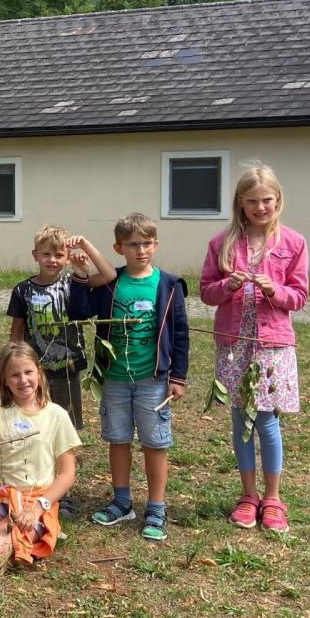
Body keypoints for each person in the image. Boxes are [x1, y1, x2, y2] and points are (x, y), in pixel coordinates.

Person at [200, 165, 307, 533]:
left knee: (266, 419)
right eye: (253, 201)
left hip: (272, 346)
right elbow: (206, 291)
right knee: (239, 418)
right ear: (240, 204)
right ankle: (248, 495)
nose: (261, 207)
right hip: (234, 345)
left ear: (278, 201)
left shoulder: (293, 243)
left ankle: (273, 499)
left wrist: (275, 291)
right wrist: (227, 286)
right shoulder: (222, 244)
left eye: (267, 200)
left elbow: (300, 296)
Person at [72, 213, 188, 542]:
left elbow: (180, 334)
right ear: (119, 247)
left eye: (147, 243)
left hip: (153, 380)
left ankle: (156, 507)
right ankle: (122, 501)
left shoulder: (168, 285)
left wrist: (178, 377)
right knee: (118, 439)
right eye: (133, 244)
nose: (141, 250)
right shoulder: (111, 282)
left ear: (156, 245)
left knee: (155, 443)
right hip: (115, 378)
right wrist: (81, 275)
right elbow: (80, 311)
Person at [6, 226, 114, 517]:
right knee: (37, 426)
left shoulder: (73, 284)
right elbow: (17, 331)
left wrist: (87, 251)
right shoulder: (23, 290)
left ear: (66, 258)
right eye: (46, 254)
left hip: (66, 369)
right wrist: (11, 366)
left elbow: (108, 276)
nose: (52, 259)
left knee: (62, 430)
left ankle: (62, 493)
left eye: (58, 254)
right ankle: (39, 486)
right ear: (35, 255)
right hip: (34, 374)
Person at [0, 343, 81, 570]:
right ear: (4, 380)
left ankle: (35, 530)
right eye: (15, 375)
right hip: (1, 495)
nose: (23, 380)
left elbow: (68, 474)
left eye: (28, 372)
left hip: (34, 501)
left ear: (39, 373)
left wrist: (39, 508)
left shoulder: (56, 415)